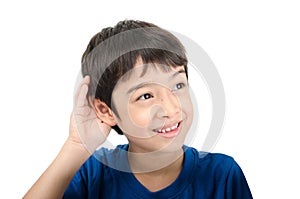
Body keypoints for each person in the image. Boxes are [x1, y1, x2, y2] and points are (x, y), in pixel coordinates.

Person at [24, 20, 252, 199]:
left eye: (178, 85)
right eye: (146, 95)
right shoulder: (91, 174)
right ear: (106, 111)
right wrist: (76, 146)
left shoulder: (223, 175)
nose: (171, 108)